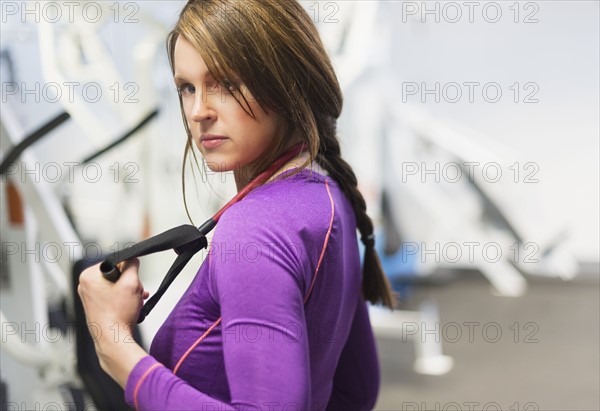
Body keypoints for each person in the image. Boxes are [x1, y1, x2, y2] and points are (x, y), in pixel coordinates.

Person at [77, 1, 395, 409]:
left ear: (286, 85)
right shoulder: (332, 199)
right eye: (187, 88)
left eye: (224, 83)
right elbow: (356, 393)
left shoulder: (253, 229)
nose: (198, 111)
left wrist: (116, 346)